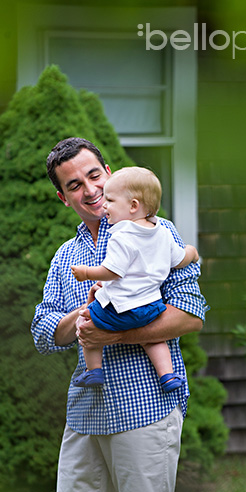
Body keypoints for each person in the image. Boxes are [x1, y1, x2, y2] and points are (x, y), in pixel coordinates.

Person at [31, 138, 208, 492]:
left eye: (94, 176)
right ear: (63, 197)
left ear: (108, 172)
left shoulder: (155, 231)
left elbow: (189, 314)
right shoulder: (67, 257)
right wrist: (83, 318)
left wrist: (115, 333)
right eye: (74, 185)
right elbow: (44, 331)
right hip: (86, 410)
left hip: (146, 405)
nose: (89, 190)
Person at [69, 166, 199, 392]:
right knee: (153, 339)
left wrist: (87, 273)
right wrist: (192, 252)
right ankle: (167, 375)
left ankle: (94, 371)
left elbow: (113, 271)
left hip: (121, 308)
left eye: (110, 200)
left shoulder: (121, 235)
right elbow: (179, 260)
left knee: (87, 321)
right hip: (151, 307)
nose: (104, 205)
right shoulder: (163, 232)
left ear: (133, 206)